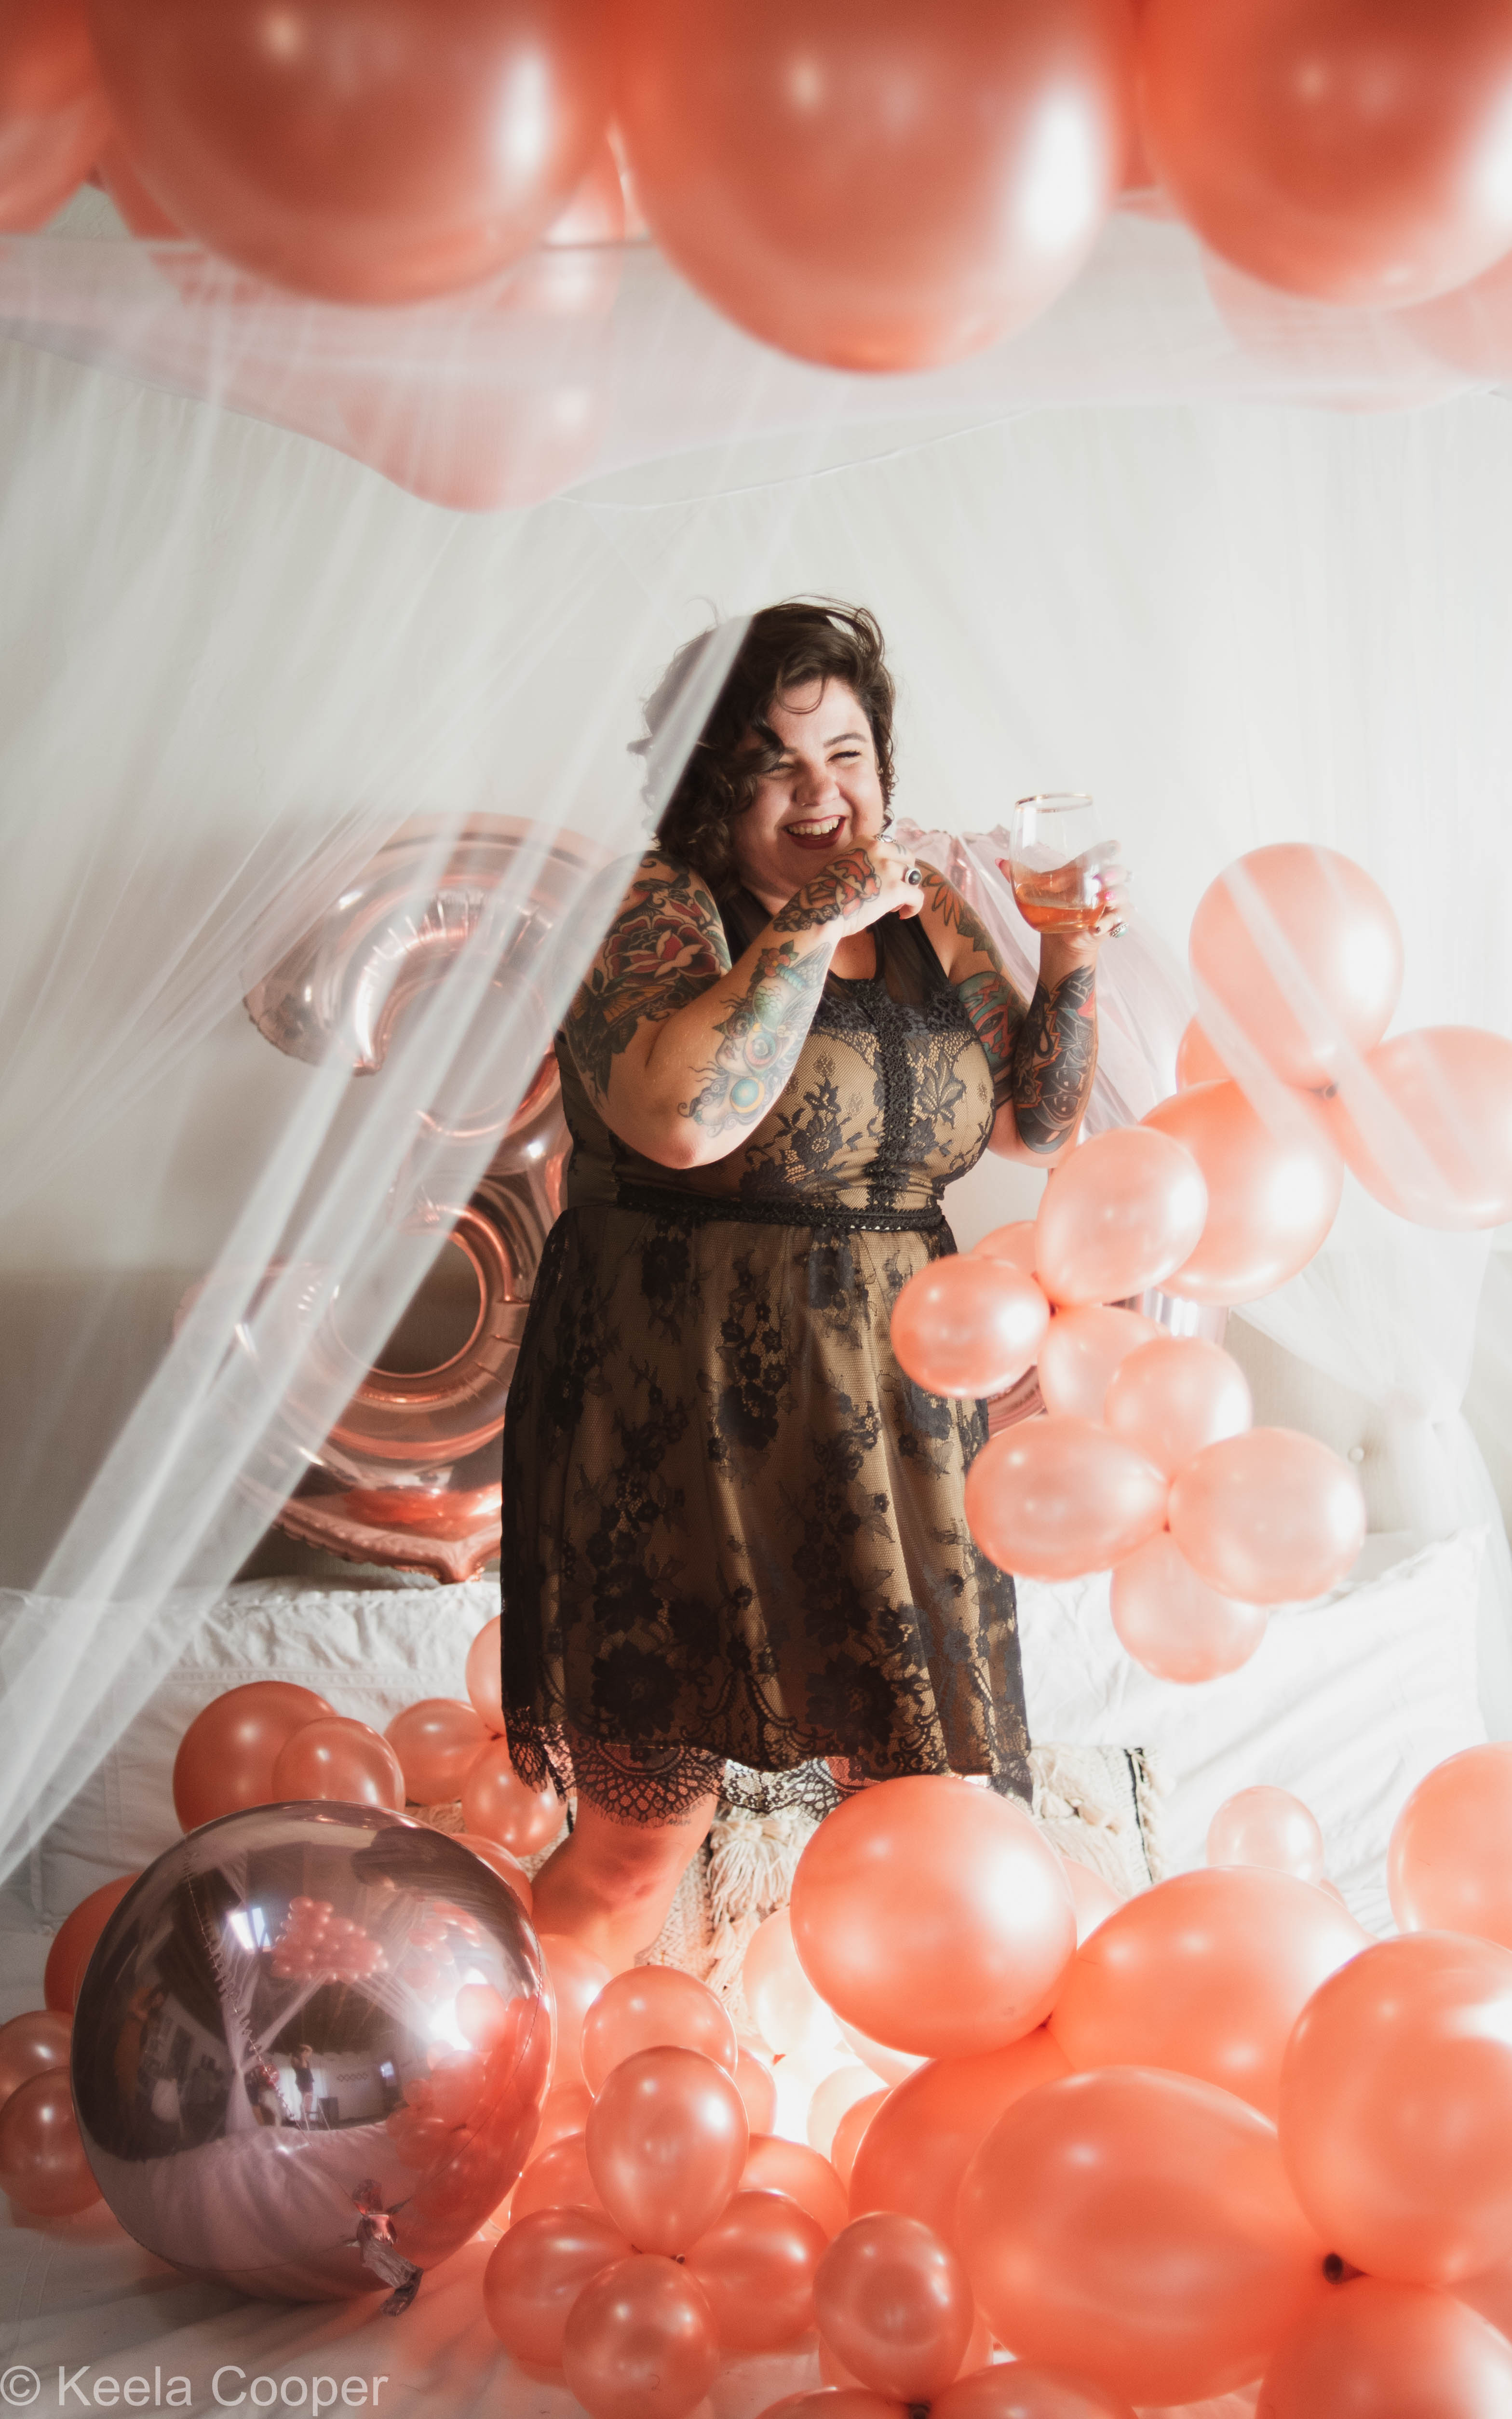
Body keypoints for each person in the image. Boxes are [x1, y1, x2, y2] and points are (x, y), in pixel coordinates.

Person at [500, 601, 1127, 1969]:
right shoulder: (654, 907)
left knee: (929, 1815)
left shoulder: (927, 913)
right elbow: (683, 1120)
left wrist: (1070, 945)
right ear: (708, 784)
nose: (823, 792)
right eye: (775, 763)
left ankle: (932, 2082)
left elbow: (1033, 1122)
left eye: (848, 754)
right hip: (677, 1415)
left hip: (893, 1422)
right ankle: (520, 2066)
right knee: (638, 1844)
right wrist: (814, 920)